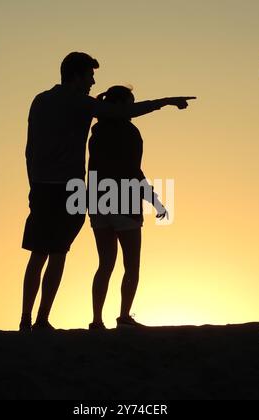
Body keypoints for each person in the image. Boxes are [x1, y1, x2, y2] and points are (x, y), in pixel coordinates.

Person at [20, 51, 196, 332]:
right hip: (70, 190)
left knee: (41, 254)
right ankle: (42, 320)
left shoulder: (41, 101)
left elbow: (29, 149)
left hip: (50, 189)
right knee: (58, 253)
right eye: (89, 76)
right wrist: (166, 102)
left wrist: (32, 183)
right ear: (76, 75)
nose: (92, 82)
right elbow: (123, 117)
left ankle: (28, 320)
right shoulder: (83, 105)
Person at [87, 85, 183, 329]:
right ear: (121, 105)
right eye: (130, 102)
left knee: (105, 264)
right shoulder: (129, 132)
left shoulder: (96, 131)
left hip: (97, 202)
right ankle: (124, 317)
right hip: (124, 203)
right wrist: (154, 200)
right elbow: (133, 171)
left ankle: (97, 320)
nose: (133, 108)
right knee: (131, 264)